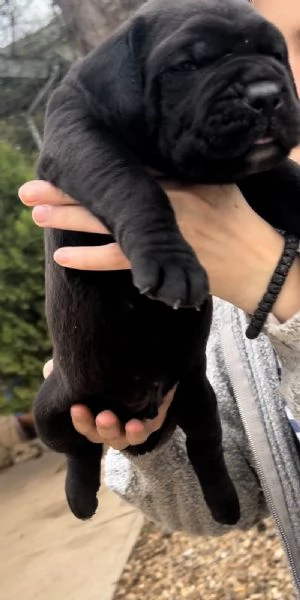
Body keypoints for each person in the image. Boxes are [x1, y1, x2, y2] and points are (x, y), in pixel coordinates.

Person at [18, 0, 300, 593]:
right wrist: (148, 447)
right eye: (192, 65)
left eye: (274, 51)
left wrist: (274, 281)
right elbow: (227, 508)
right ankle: (81, 462)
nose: (266, 84)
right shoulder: (193, 169)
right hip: (134, 377)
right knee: (76, 415)